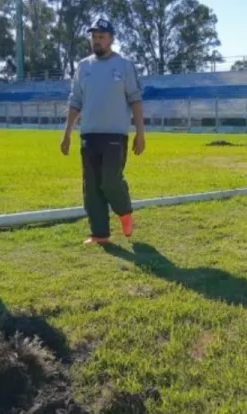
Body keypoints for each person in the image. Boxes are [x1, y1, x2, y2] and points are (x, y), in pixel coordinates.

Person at [61, 18, 145, 245]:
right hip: (89, 134)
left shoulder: (124, 65)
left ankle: (124, 211)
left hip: (115, 135)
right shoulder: (83, 67)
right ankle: (100, 234)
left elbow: (135, 100)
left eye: (101, 36)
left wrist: (140, 133)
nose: (96, 40)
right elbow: (75, 101)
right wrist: (67, 133)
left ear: (111, 39)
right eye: (94, 36)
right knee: (91, 187)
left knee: (110, 181)